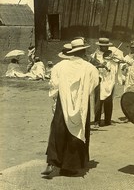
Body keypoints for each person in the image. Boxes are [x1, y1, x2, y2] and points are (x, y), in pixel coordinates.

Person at [41, 38, 99, 176]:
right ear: (83, 52)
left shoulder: (60, 66)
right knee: (77, 130)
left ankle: (53, 162)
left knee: (58, 130)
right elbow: (94, 83)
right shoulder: (90, 67)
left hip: (63, 102)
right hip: (81, 104)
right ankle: (71, 166)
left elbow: (53, 84)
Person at [91, 37, 123, 126]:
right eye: (103, 46)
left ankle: (108, 120)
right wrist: (101, 65)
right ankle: (97, 121)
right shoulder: (95, 55)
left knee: (109, 101)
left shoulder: (112, 54)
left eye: (106, 46)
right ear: (100, 46)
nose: (105, 48)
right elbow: (92, 66)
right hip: (100, 79)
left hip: (110, 80)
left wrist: (115, 59)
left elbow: (120, 61)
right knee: (98, 101)